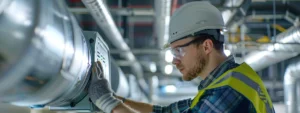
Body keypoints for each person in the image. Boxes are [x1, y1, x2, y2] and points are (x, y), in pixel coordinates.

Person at [88, 1, 275, 113]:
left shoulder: (227, 92)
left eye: (179, 50)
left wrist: (107, 102)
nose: (175, 60)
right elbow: (164, 112)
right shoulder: (229, 81)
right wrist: (115, 98)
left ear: (207, 46)